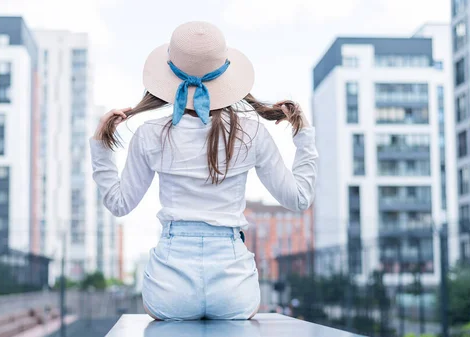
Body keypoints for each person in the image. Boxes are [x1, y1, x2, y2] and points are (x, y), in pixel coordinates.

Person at [90, 21, 318, 321]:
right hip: (234, 287)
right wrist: (303, 134)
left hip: (169, 288)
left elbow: (119, 204)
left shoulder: (150, 134)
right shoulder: (251, 132)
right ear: (226, 78)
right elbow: (300, 199)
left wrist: (100, 144)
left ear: (169, 78)